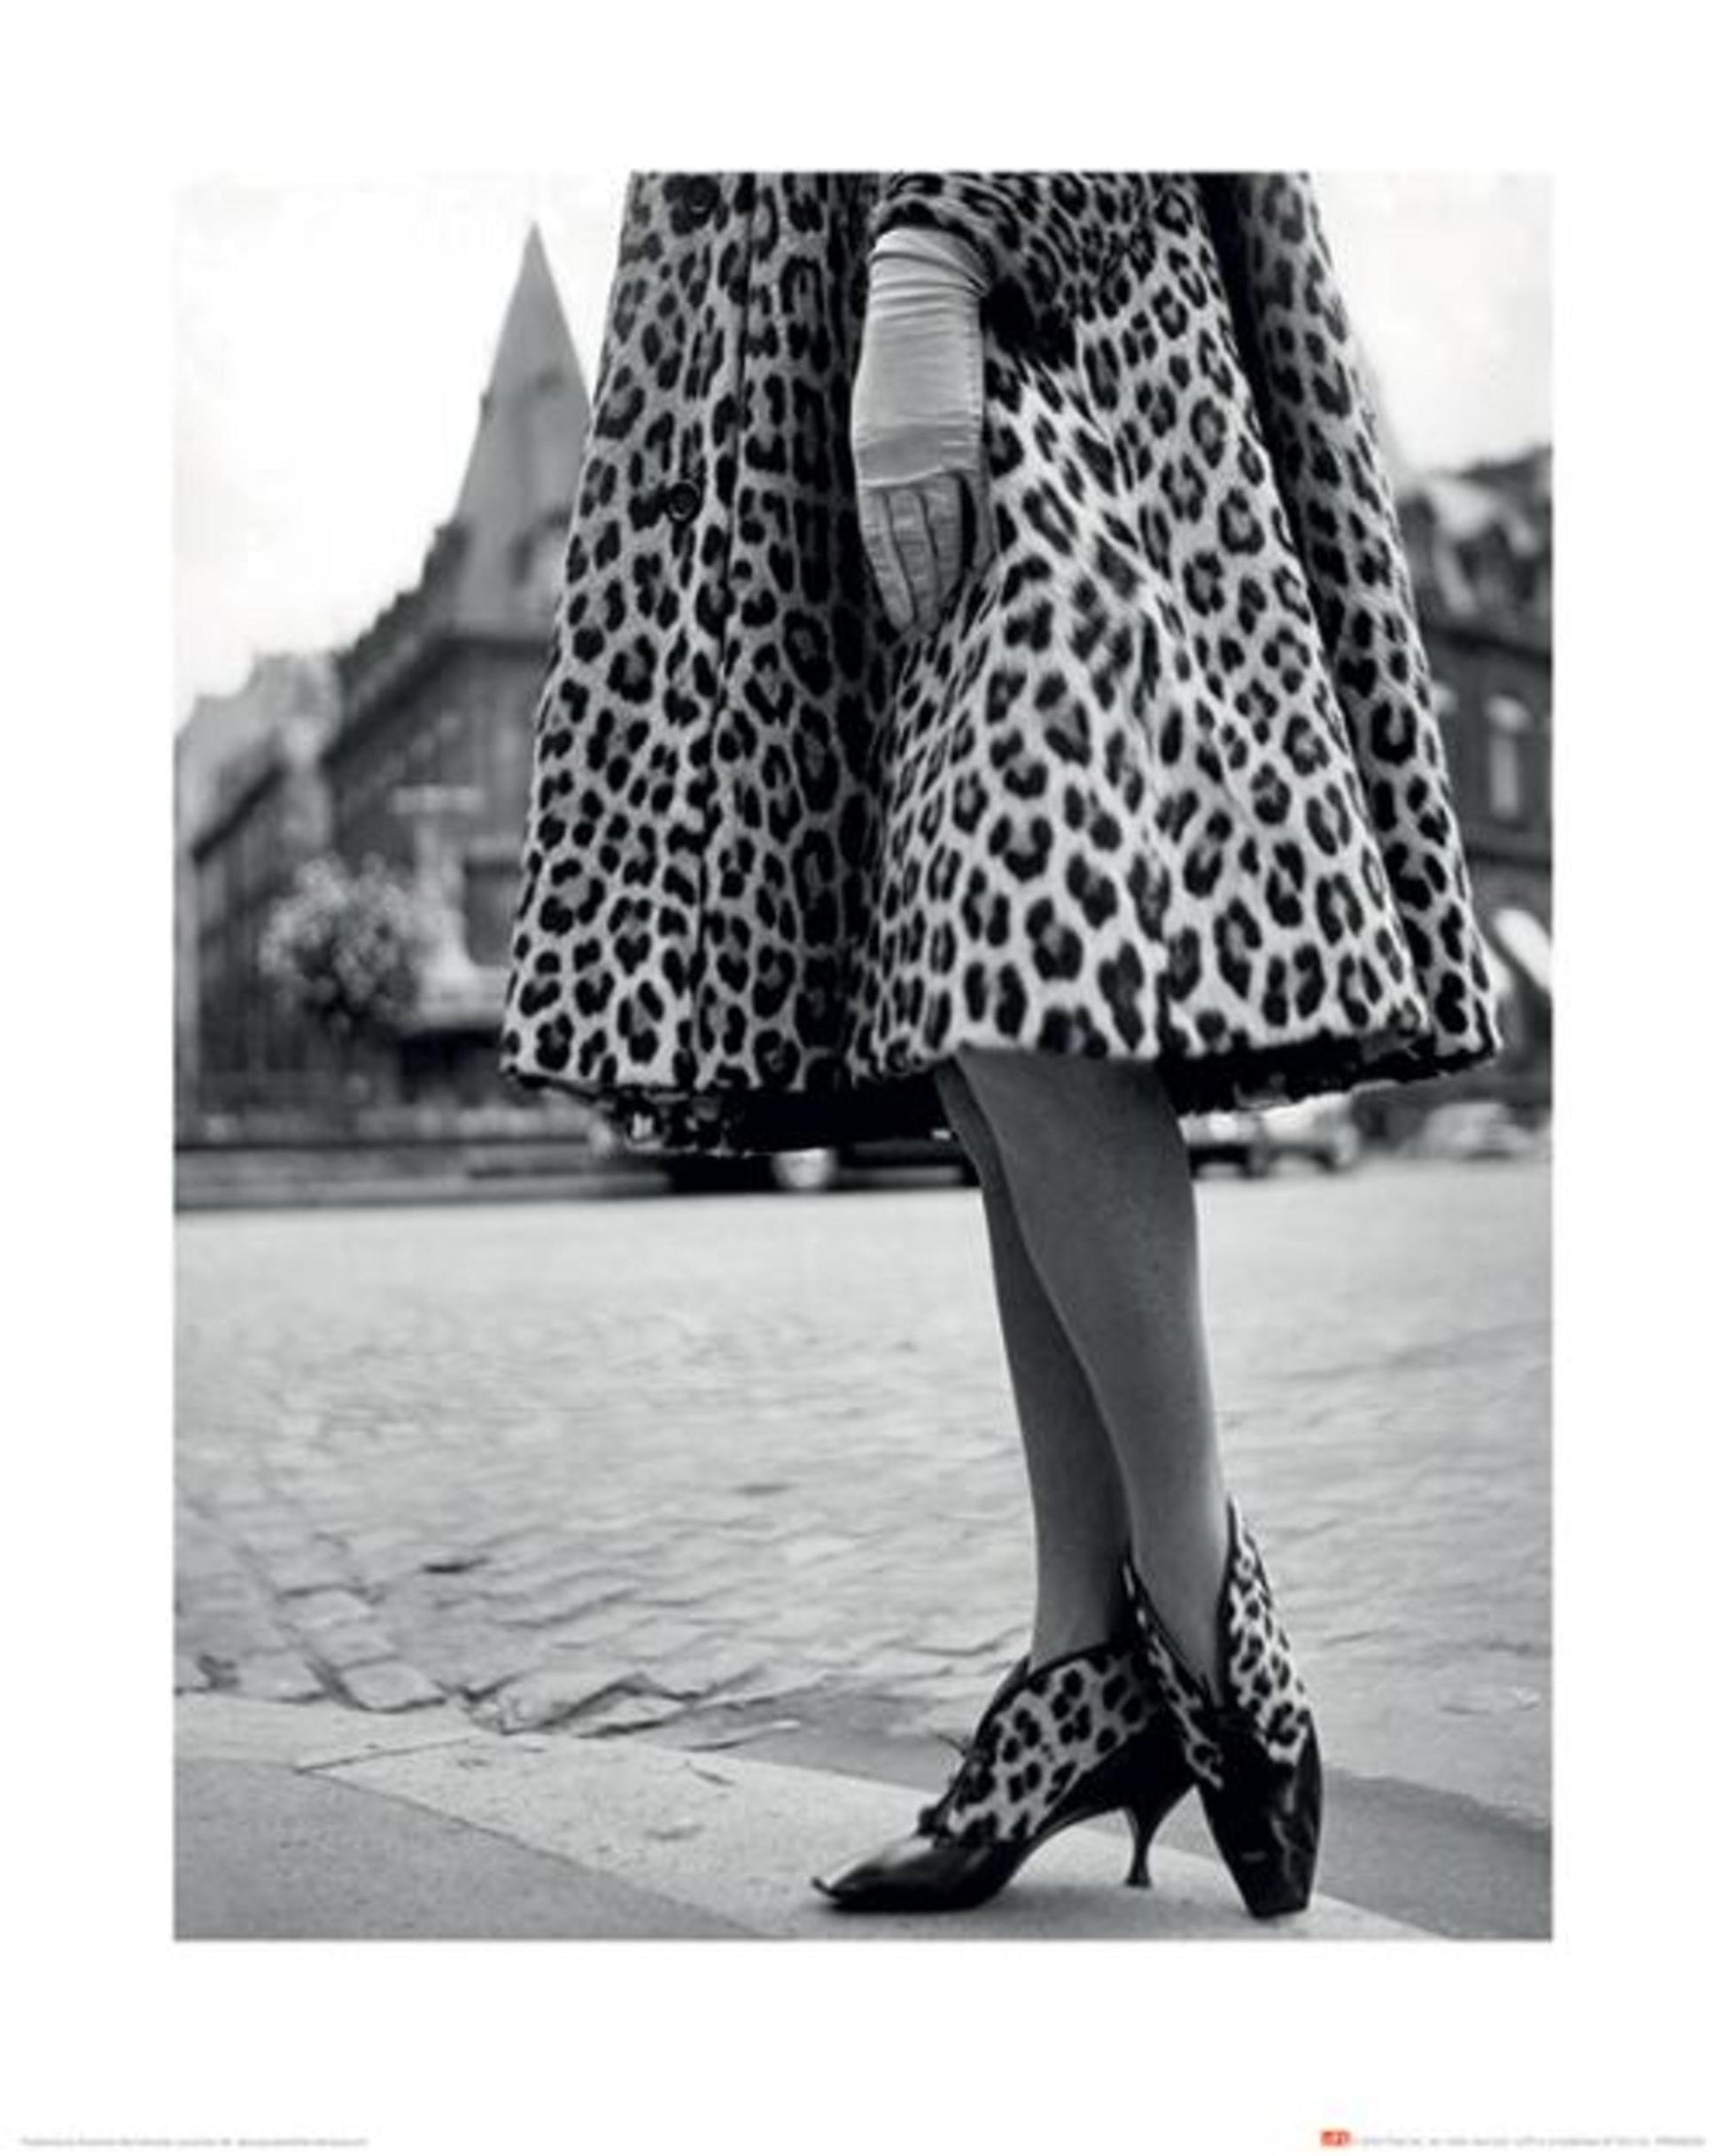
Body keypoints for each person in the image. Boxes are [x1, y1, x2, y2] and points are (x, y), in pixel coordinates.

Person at [498, 173, 1501, 1919]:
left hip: (1048, 304)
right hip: (823, 308)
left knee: (1019, 965)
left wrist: (946, 242)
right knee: (977, 1031)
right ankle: (1081, 1656)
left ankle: (1196, 1604)